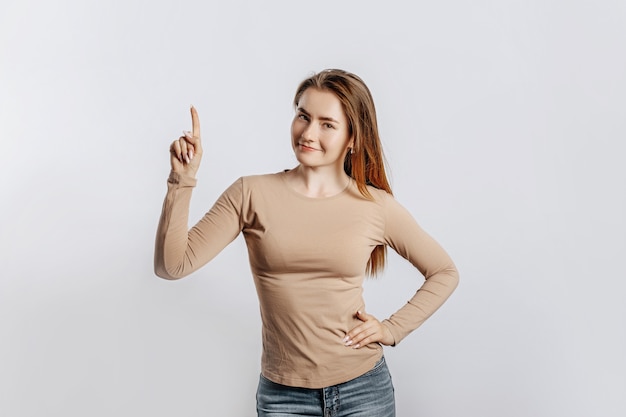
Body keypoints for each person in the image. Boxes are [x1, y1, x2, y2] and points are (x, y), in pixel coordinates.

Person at [154, 69, 459, 417]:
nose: (309, 133)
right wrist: (181, 180)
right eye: (303, 116)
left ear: (353, 138)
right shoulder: (250, 193)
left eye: (327, 124)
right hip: (283, 397)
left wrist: (391, 329)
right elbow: (172, 266)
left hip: (363, 389)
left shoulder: (376, 207)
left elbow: (444, 271)